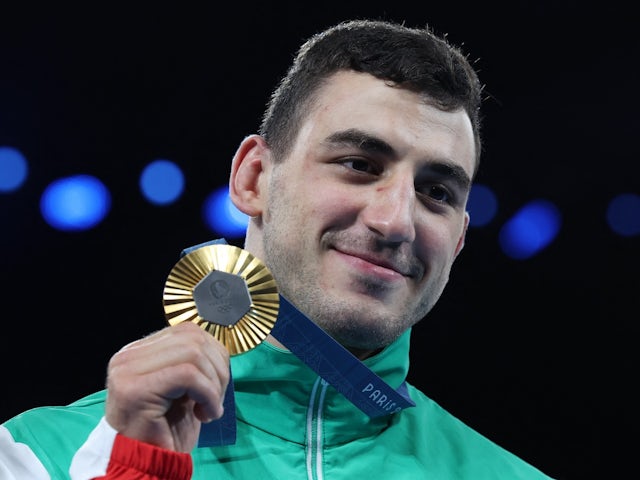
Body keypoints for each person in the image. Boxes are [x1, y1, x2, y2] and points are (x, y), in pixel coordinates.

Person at [0, 18, 554, 479]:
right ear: (254, 179)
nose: (395, 221)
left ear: (458, 239)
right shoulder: (38, 457)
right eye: (359, 165)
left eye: (436, 192)